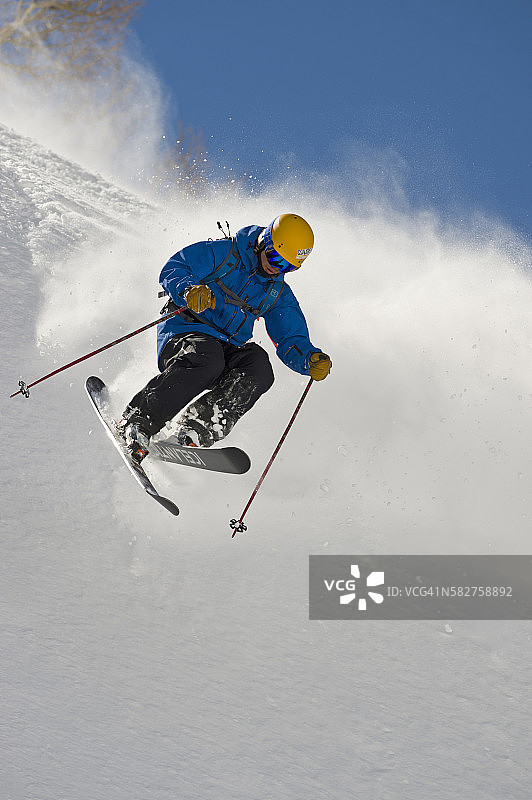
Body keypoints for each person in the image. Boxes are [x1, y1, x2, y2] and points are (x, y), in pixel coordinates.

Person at [118, 213, 332, 461]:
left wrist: (309, 358)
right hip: (185, 333)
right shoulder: (225, 254)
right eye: (275, 257)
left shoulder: (277, 292)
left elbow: (290, 336)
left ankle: (195, 428)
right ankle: (138, 419)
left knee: (259, 367)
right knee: (207, 357)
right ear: (264, 242)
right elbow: (176, 267)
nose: (276, 268)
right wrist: (189, 290)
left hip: (225, 347)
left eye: (287, 266)